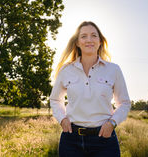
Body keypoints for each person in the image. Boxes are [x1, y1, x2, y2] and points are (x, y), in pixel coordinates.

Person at [49, 21, 131, 157]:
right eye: (84, 36)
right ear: (77, 42)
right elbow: (55, 99)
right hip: (71, 140)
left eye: (94, 35)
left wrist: (112, 123)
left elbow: (124, 103)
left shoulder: (113, 69)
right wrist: (62, 119)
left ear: (100, 41)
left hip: (104, 140)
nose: (89, 40)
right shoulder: (66, 70)